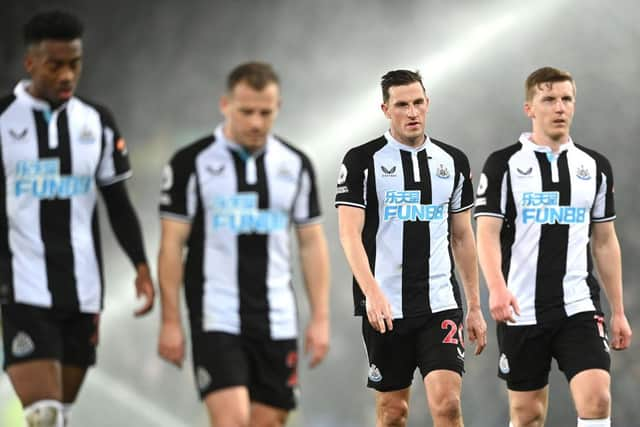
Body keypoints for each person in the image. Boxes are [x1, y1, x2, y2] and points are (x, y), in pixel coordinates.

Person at [0, 10, 155, 427]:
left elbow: (117, 201)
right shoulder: (2, 120)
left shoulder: (97, 123)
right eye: (56, 65)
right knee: (44, 415)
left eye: (75, 63)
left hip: (83, 290)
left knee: (61, 415)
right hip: (21, 287)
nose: (67, 75)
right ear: (31, 63)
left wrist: (140, 265)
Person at [157, 61, 330, 427]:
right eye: (246, 111)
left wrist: (321, 318)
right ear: (225, 105)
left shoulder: (295, 165)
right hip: (215, 313)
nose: (256, 122)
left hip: (277, 318)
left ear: (278, 107)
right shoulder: (192, 162)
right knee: (232, 420)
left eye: (265, 113)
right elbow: (172, 244)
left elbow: (312, 244)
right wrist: (170, 321)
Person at [475, 66, 633, 427]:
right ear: (530, 108)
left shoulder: (594, 166)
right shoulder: (504, 164)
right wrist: (497, 289)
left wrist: (619, 310)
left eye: (566, 99)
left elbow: (605, 241)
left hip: (577, 304)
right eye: (549, 99)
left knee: (597, 397)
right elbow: (486, 233)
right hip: (521, 308)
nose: (559, 107)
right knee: (527, 414)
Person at [336, 69, 487, 427]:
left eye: (418, 102)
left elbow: (463, 237)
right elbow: (349, 234)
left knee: (448, 405)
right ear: (386, 109)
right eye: (402, 104)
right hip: (385, 307)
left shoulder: (453, 161)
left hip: (439, 303)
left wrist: (475, 306)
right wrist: (372, 293)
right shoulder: (362, 161)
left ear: (428, 103)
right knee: (393, 412)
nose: (412, 112)